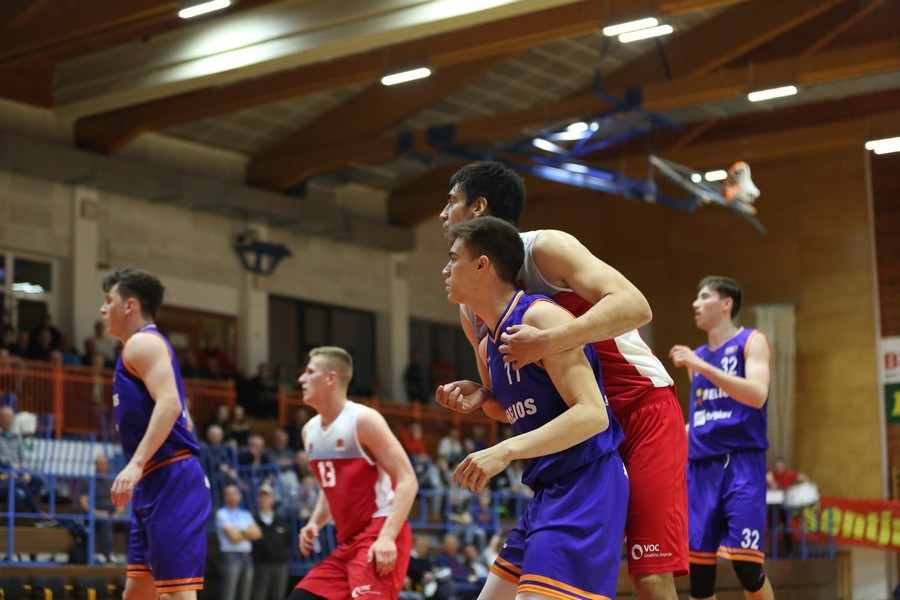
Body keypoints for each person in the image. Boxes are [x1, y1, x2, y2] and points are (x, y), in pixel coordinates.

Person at [437, 161, 688, 599]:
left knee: (648, 574)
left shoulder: (544, 248)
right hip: (578, 433)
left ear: (479, 207)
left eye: (451, 201)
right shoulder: (470, 306)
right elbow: (512, 406)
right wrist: (482, 396)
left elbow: (636, 307)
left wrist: (550, 339)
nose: (442, 213)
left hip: (639, 407)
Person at [439, 217, 628, 599]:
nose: (444, 269)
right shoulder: (488, 346)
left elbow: (592, 414)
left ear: (482, 265)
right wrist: (485, 397)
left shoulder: (539, 318)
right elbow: (529, 408)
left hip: (587, 485)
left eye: (453, 258)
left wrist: (505, 450)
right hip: (547, 492)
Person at [100, 267, 212, 599]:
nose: (103, 309)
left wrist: (136, 463)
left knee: (176, 594)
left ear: (130, 305)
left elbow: (171, 405)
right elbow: (185, 417)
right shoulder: (139, 350)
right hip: (156, 481)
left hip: (172, 478)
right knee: (137, 594)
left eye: (109, 301)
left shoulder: (142, 344)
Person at [669, 276, 775, 600]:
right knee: (699, 575)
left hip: (742, 464)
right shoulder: (698, 358)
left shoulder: (751, 341)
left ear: (726, 304)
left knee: (748, 569)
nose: (695, 304)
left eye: (703, 297)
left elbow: (757, 395)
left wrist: (702, 366)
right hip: (701, 468)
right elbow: (704, 416)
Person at [288, 346, 418, 600]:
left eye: (309, 371)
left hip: (379, 531)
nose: (301, 379)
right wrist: (315, 522)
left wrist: (387, 537)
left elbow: (407, 480)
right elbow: (331, 488)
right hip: (348, 542)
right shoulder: (309, 431)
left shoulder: (364, 420)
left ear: (331, 378)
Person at [216, 483, 262, 600]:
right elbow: (233, 537)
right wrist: (247, 531)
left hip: (247, 556)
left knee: (245, 595)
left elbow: (258, 534)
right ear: (225, 497)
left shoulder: (245, 513)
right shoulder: (221, 513)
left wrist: (239, 531)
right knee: (229, 594)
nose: (232, 497)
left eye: (235, 494)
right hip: (231, 557)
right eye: (229, 494)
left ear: (239, 496)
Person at [251, 483, 291, 600]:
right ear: (258, 500)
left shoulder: (281, 519)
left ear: (272, 499)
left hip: (281, 564)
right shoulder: (253, 519)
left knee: (279, 595)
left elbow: (289, 538)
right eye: (261, 496)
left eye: (267, 496)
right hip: (261, 565)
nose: (264, 499)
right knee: (259, 595)